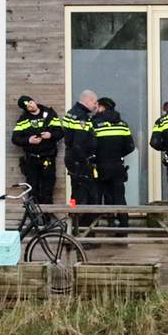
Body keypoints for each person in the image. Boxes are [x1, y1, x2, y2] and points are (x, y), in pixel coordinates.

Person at [91, 97, 134, 229]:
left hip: (99, 166)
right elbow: (130, 146)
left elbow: (89, 145)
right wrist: (118, 155)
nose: (96, 109)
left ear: (102, 108)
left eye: (97, 106)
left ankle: (94, 228)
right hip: (117, 166)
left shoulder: (94, 124)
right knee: (119, 198)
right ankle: (123, 227)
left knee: (96, 198)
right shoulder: (122, 124)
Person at [11, 95, 61, 204]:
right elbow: (15, 138)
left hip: (48, 157)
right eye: (28, 106)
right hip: (31, 160)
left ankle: (47, 219)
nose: (31, 105)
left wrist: (50, 135)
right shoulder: (23, 120)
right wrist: (29, 140)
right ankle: (35, 219)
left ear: (34, 101)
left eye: (31, 102)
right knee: (32, 189)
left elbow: (60, 132)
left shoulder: (49, 114)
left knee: (48, 189)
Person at [60, 88, 99, 207]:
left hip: (71, 158)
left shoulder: (71, 112)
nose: (95, 105)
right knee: (83, 193)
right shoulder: (81, 116)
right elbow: (79, 143)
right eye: (94, 102)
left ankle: (73, 215)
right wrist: (85, 161)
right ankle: (80, 222)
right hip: (79, 161)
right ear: (88, 100)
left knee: (76, 191)